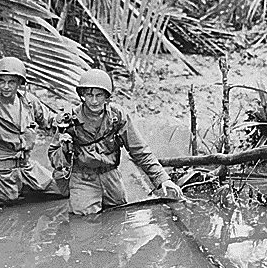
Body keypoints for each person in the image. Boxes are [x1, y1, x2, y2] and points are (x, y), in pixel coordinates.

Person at [48, 68, 183, 215]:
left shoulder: (117, 117)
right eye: (89, 94)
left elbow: (140, 151)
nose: (94, 101)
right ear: (82, 96)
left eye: (99, 95)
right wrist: (65, 150)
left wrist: (163, 179)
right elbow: (54, 158)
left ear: (107, 96)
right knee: (84, 224)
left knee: (118, 217)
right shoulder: (68, 120)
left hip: (111, 177)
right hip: (82, 179)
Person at [0, 56, 64, 212]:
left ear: (19, 83)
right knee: (3, 207)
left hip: (27, 167)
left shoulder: (29, 102)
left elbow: (50, 121)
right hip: (4, 170)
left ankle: (25, 188)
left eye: (11, 82)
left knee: (63, 191)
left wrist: (65, 119)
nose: (6, 86)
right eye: (2, 81)